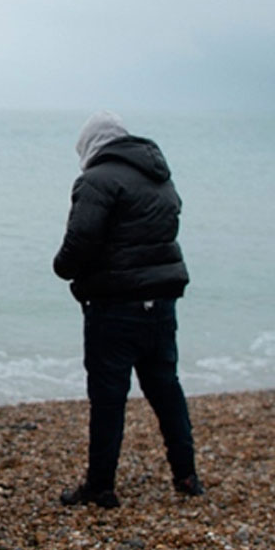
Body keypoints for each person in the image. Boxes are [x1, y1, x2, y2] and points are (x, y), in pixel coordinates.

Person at [54, 110, 203, 508]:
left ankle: (101, 485)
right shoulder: (160, 177)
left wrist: (62, 268)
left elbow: (80, 241)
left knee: (108, 397)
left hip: (114, 305)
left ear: (91, 146)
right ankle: (186, 475)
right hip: (161, 302)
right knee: (166, 388)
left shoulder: (96, 180)